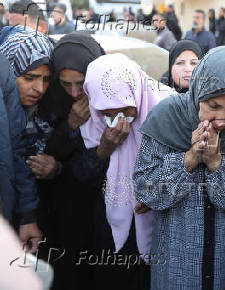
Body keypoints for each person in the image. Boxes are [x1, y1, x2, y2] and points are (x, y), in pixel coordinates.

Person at [134, 46, 225, 290]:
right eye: (213, 105)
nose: (221, 119)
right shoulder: (167, 116)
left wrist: (217, 164)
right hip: (175, 258)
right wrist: (188, 159)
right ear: (197, 93)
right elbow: (146, 190)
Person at [79, 53, 173, 290]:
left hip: (161, 223)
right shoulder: (89, 118)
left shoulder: (167, 108)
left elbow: (185, 166)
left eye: (125, 109)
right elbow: (80, 176)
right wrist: (104, 148)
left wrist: (157, 195)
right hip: (108, 227)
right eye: (107, 112)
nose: (117, 119)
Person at [34, 32, 106, 290]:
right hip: (59, 208)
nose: (75, 92)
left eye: (81, 83)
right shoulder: (46, 99)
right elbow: (43, 151)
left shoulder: (110, 96)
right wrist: (71, 126)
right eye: (66, 84)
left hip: (100, 208)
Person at [0, 26, 53, 254]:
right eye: (29, 78)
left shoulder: (48, 113)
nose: (39, 88)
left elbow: (17, 155)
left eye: (46, 79)